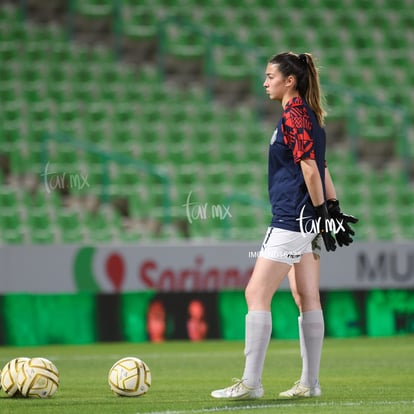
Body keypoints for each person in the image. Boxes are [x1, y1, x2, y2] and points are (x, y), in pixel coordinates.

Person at [211, 52, 358, 400]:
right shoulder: (310, 117)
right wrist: (331, 209)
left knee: (255, 294)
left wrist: (323, 211)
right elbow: (322, 168)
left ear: (289, 81)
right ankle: (310, 383)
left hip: (293, 218)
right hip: (306, 217)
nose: (265, 82)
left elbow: (310, 169)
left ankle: (251, 383)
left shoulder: (294, 117)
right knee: (306, 296)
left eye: (269, 76)